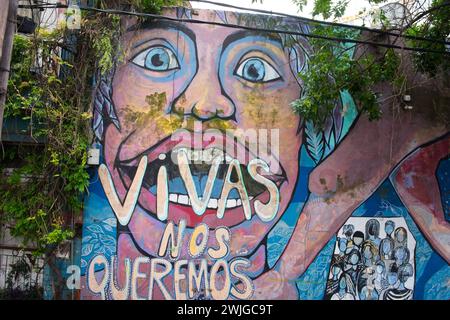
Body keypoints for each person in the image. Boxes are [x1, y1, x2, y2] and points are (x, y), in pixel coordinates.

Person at [83, 7, 450, 300]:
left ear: (308, 126)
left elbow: (334, 180)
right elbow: (404, 184)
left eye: (255, 69)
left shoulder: (411, 98)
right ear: (102, 106)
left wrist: (283, 273)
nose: (205, 103)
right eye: (157, 59)